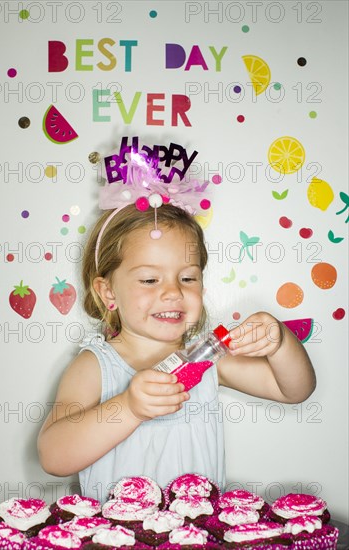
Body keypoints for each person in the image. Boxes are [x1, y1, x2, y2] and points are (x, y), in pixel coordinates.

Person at [37, 148, 316, 503]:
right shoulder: (96, 366)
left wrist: (279, 344)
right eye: (150, 280)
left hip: (199, 536)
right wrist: (129, 407)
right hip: (115, 538)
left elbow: (293, 390)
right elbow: (53, 456)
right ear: (108, 292)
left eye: (187, 278)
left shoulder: (205, 358)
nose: (172, 293)